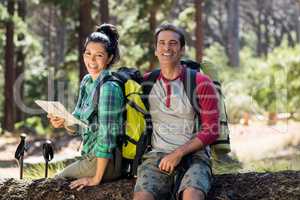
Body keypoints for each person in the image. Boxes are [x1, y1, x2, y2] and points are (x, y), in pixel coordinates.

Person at [134, 23, 220, 200]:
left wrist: (178, 153)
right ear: (156, 50)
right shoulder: (146, 83)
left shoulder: (200, 82)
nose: (167, 47)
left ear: (182, 49)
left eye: (173, 43)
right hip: (157, 155)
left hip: (194, 156)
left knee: (192, 196)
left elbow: (212, 131)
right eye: (162, 43)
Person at [48, 24, 124, 191]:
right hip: (89, 156)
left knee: (55, 181)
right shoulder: (87, 82)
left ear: (109, 58)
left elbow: (107, 136)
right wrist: (63, 121)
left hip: (106, 161)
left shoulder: (109, 88)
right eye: (88, 54)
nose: (91, 60)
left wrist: (96, 178)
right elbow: (77, 125)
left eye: (99, 55)